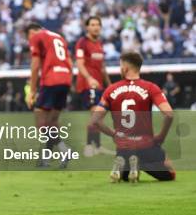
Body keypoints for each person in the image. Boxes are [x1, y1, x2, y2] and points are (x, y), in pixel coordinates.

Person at [90, 52, 175, 183]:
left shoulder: (111, 90)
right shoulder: (151, 88)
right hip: (146, 145)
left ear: (125, 68)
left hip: (123, 147)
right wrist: (161, 137)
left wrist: (114, 135)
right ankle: (139, 163)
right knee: (170, 174)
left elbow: (95, 120)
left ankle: (125, 165)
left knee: (125, 174)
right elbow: (169, 114)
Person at [25, 22, 73, 168]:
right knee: (52, 123)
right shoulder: (59, 37)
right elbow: (70, 62)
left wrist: (32, 91)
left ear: (32, 32)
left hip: (51, 81)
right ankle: (45, 159)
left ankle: (65, 150)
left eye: (28, 37)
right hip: (65, 80)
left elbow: (35, 65)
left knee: (41, 124)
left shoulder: (37, 36)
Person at [75, 16, 112, 156]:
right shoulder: (82, 43)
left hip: (100, 86)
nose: (96, 27)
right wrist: (89, 78)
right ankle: (89, 146)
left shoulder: (100, 45)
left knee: (99, 117)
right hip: (88, 84)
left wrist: (110, 86)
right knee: (96, 115)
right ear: (87, 27)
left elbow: (102, 68)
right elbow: (79, 64)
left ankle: (97, 146)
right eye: (93, 24)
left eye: (98, 24)